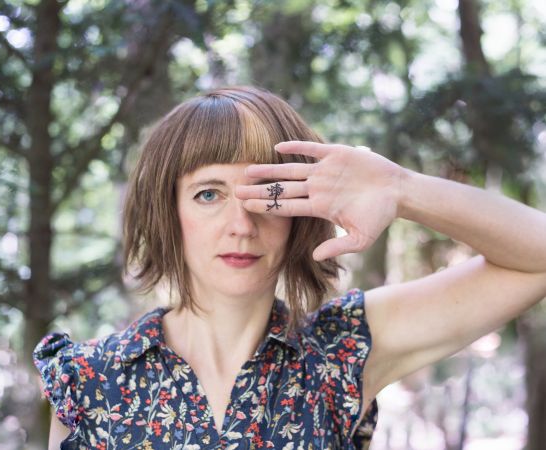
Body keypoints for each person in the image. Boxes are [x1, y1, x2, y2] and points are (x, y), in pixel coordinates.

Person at [33, 86, 546, 450]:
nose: (242, 224)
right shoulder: (89, 380)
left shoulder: (345, 351)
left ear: (300, 211)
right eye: (209, 194)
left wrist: (400, 189)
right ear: (169, 213)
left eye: (269, 194)